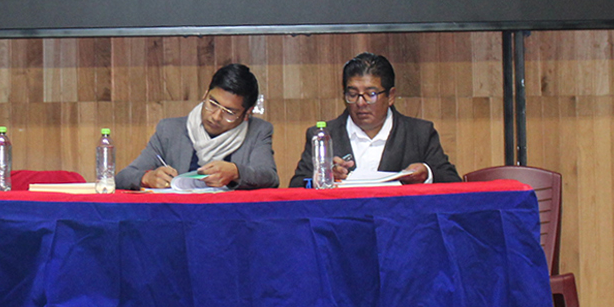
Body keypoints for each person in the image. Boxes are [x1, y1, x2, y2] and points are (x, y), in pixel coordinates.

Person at [288, 52, 460, 186]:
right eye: (353, 94)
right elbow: (296, 187)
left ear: (390, 96)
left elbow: (453, 183)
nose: (360, 103)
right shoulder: (323, 135)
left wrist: (427, 174)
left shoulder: (419, 133)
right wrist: (323, 176)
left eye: (370, 94)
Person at [116, 63, 278, 190]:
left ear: (247, 113)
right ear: (205, 94)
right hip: (180, 217)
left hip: (234, 217)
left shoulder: (257, 131)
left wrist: (236, 172)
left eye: (230, 112)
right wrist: (147, 178)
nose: (216, 116)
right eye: (212, 103)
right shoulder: (170, 130)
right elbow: (123, 177)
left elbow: (269, 177)